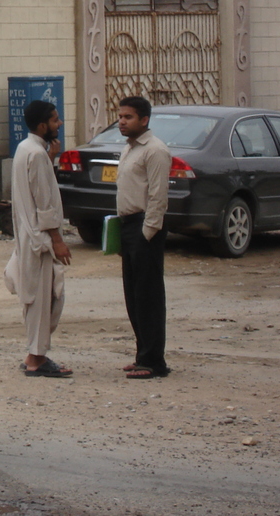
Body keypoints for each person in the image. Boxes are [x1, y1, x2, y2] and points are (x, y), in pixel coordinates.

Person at [4, 99, 73, 378]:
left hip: (29, 235)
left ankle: (34, 354)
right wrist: (57, 239)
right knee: (45, 299)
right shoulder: (35, 154)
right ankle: (36, 359)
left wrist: (51, 160)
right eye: (55, 120)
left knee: (38, 297)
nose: (60, 124)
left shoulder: (26, 149)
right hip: (40, 239)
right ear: (43, 125)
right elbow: (44, 203)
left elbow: (38, 189)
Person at [115, 95, 172, 379]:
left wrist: (147, 233)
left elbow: (158, 197)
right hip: (127, 225)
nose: (122, 122)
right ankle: (142, 355)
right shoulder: (129, 149)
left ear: (144, 120)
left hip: (144, 227)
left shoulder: (155, 150)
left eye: (128, 117)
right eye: (120, 116)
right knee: (133, 295)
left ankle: (154, 362)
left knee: (148, 295)